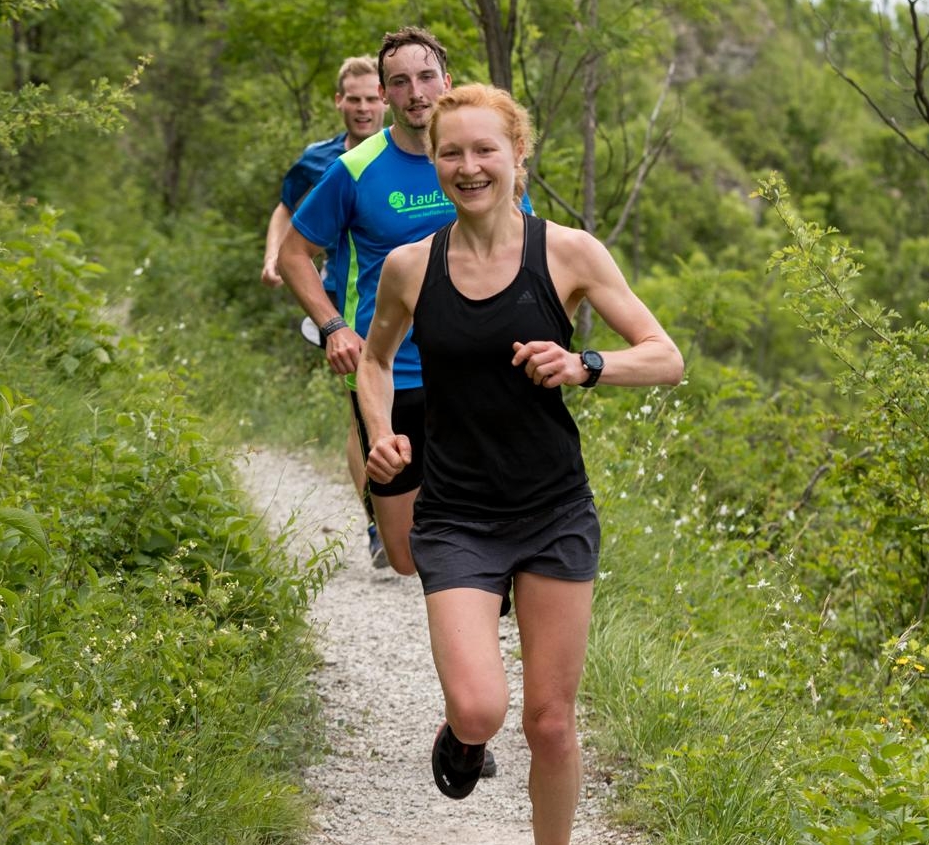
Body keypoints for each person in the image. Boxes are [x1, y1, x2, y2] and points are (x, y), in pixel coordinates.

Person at [356, 84, 683, 843]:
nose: (468, 167)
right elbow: (374, 361)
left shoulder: (566, 252)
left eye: (484, 151)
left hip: (552, 510)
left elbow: (666, 356)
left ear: (517, 158)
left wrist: (583, 363)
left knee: (551, 721)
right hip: (458, 510)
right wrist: (380, 431)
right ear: (433, 162)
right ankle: (463, 732)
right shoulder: (411, 266)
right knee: (480, 707)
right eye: (451, 152)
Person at [279, 27, 528, 581]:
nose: (416, 91)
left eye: (425, 77)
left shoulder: (481, 160)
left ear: (446, 81)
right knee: (405, 553)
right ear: (385, 93)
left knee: (485, 508)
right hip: (392, 368)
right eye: (400, 81)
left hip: (480, 365)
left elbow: (526, 247)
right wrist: (334, 326)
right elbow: (294, 252)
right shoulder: (354, 169)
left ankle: (485, 587)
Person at [260, 56, 391, 566]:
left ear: (384, 100)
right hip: (341, 303)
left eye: (370, 98)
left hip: (403, 298)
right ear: (339, 102)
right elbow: (287, 210)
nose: (362, 108)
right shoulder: (319, 161)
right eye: (352, 99)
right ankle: (377, 522)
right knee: (361, 410)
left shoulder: (416, 155)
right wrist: (274, 255)